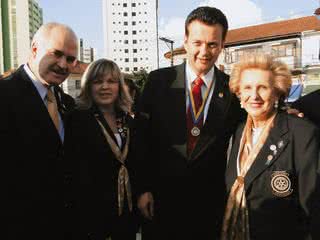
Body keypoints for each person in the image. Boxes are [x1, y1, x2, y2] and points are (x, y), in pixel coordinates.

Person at [136, 6, 242, 240]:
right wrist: (142, 189)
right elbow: (141, 139)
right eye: (197, 42)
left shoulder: (233, 88)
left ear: (222, 45)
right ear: (185, 41)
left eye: (213, 44)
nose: (204, 51)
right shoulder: (158, 82)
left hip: (209, 204)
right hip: (161, 200)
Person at [222, 53, 320, 240]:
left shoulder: (302, 132)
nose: (254, 96)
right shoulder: (238, 132)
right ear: (239, 93)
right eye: (247, 88)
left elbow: (312, 207)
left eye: (263, 88)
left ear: (276, 92)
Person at [0, 22, 78, 239]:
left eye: (70, 59)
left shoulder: (67, 103)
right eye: (57, 54)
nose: (63, 64)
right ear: (35, 49)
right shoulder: (4, 95)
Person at [65, 59, 139, 240]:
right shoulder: (76, 119)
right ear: (88, 86)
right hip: (91, 213)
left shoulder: (129, 121)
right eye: (97, 81)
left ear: (119, 86)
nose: (104, 87)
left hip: (126, 212)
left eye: (111, 81)